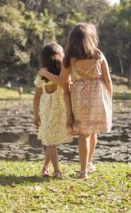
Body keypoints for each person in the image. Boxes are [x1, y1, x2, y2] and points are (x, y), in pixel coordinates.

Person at [38, 23, 112, 179]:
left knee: (83, 134)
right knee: (93, 132)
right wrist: (109, 100)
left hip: (79, 97)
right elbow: (108, 81)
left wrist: (45, 72)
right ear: (91, 38)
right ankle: (89, 163)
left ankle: (83, 171)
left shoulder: (70, 59)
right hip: (98, 97)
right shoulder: (99, 55)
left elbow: (62, 81)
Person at [33, 42, 73, 178]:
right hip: (55, 112)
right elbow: (37, 98)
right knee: (51, 141)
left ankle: (48, 168)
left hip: (50, 112)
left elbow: (36, 98)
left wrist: (36, 115)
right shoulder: (62, 74)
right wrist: (35, 116)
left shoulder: (44, 75)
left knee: (51, 141)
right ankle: (54, 169)